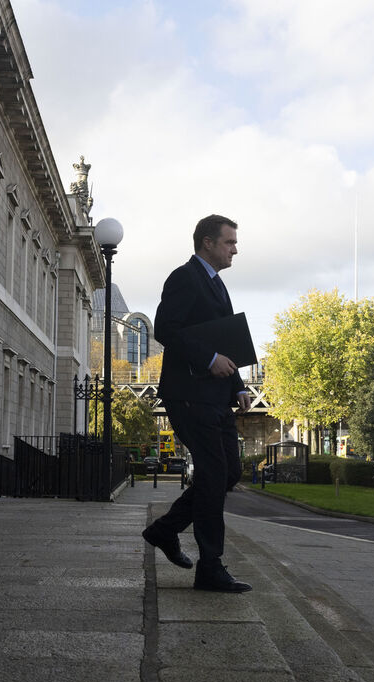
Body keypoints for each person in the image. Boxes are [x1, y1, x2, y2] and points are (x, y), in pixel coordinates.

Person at [141, 214, 253, 593]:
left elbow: (227, 343)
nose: (235, 249)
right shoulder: (184, 277)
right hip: (189, 394)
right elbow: (165, 328)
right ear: (207, 242)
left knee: (227, 474)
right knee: (212, 474)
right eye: (229, 242)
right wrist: (208, 360)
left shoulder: (217, 286)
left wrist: (238, 385)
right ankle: (211, 566)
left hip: (216, 397)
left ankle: (164, 530)